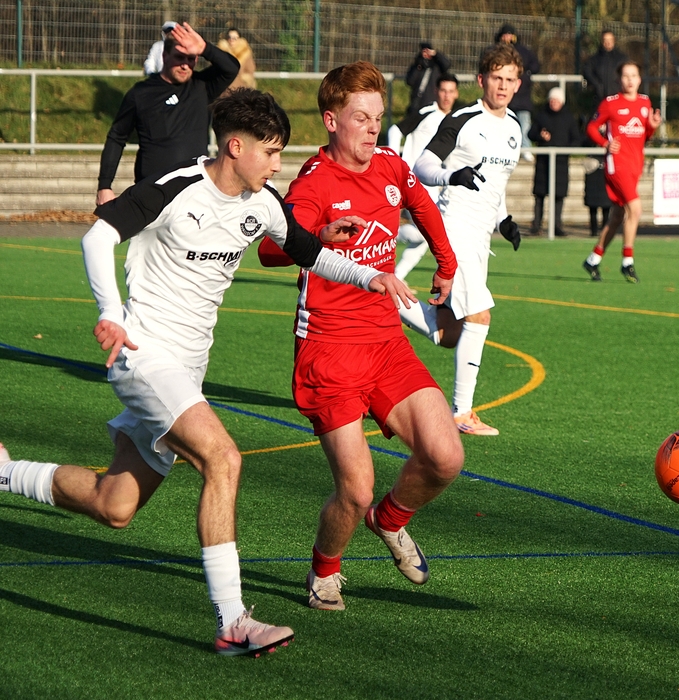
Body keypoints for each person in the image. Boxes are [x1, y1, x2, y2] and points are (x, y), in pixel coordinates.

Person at [0, 88, 414, 654]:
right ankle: (232, 622)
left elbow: (309, 253)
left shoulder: (263, 204)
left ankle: (5, 473)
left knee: (113, 505)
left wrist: (372, 277)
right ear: (236, 147)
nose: (277, 165)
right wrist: (110, 312)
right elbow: (97, 236)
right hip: (144, 356)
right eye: (271, 152)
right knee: (223, 458)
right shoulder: (174, 188)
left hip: (186, 372)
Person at [255, 62, 464, 612]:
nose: (373, 129)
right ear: (331, 121)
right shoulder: (314, 183)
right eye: (360, 118)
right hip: (328, 351)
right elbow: (270, 248)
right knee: (355, 488)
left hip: (386, 342)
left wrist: (446, 265)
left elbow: (423, 206)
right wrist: (317, 236)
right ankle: (324, 571)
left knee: (445, 456)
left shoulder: (390, 165)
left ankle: (389, 521)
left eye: (377, 117)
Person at [406, 43, 524, 437]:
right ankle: (461, 414)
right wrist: (450, 176)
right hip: (454, 226)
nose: (502, 86)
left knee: (448, 333)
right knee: (480, 316)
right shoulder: (463, 119)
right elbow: (423, 164)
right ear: (481, 79)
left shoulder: (514, 127)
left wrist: (504, 220)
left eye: (509, 79)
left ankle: (383, 299)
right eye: (496, 78)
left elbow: (495, 182)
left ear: (518, 84)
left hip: (481, 235)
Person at [97, 22, 239, 206]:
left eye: (191, 59)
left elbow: (231, 67)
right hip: (151, 194)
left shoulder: (202, 87)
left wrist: (205, 48)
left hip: (194, 195)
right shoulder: (141, 93)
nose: (185, 65)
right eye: (179, 57)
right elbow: (117, 138)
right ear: (164, 56)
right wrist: (104, 186)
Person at [583, 61, 661, 284]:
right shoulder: (611, 103)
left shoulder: (645, 103)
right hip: (616, 165)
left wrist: (652, 126)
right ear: (619, 80)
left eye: (633, 75)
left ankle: (593, 259)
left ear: (639, 79)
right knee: (635, 209)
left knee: (618, 216)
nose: (630, 80)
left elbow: (644, 135)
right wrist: (605, 144)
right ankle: (627, 262)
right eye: (626, 76)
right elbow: (591, 127)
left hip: (635, 165)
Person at [387, 73, 460, 280]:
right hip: (414, 181)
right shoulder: (426, 113)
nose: (446, 96)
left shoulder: (454, 120)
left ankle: (397, 276)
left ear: (456, 94)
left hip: (434, 185)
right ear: (436, 92)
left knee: (428, 235)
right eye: (443, 91)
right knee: (429, 232)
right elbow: (395, 130)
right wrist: (395, 164)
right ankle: (389, 235)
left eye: (451, 91)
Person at [528, 87, 580, 237]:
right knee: (540, 195)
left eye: (556, 100)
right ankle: (536, 225)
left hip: (561, 164)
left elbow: (577, 139)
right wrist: (540, 136)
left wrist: (566, 150)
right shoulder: (542, 116)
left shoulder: (569, 118)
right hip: (543, 163)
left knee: (558, 196)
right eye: (551, 100)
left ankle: (557, 226)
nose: (553, 103)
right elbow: (530, 134)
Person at [494, 24, 540, 163]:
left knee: (524, 124)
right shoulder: (495, 51)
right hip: (501, 96)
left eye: (510, 34)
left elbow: (535, 65)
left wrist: (526, 74)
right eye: (505, 34)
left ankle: (525, 149)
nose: (507, 38)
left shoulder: (523, 51)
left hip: (522, 96)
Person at [405, 41, 452, 116]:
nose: (426, 54)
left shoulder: (437, 66)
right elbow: (410, 81)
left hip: (432, 102)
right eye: (424, 52)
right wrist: (418, 65)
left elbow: (447, 64)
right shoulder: (417, 66)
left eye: (428, 51)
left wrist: (436, 54)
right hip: (417, 102)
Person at [582, 29, 629, 102]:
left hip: (618, 97)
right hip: (599, 97)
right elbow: (587, 72)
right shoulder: (594, 59)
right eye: (605, 40)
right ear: (602, 41)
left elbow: (628, 73)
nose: (608, 42)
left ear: (614, 40)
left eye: (610, 39)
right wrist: (597, 85)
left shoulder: (622, 58)